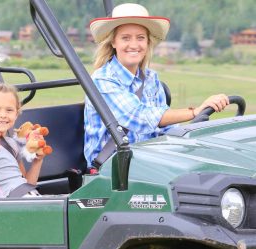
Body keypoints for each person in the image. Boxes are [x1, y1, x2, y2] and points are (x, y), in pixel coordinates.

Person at [84, 3, 230, 167]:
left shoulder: (151, 78)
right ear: (113, 42)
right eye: (125, 38)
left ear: (147, 43)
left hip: (147, 161)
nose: (134, 45)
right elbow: (139, 118)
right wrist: (195, 112)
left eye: (140, 38)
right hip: (111, 168)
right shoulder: (102, 80)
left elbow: (165, 130)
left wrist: (193, 139)